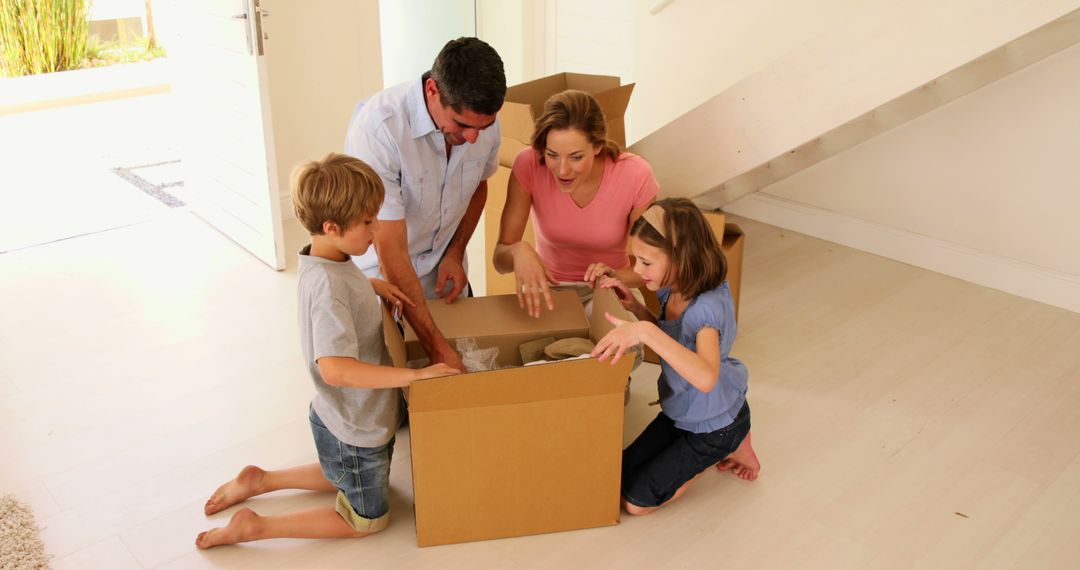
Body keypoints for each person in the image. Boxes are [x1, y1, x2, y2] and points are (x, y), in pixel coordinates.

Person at [195, 154, 459, 549]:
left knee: (343, 470)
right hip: (355, 422)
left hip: (343, 415)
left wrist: (371, 285)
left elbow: (337, 291)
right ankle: (257, 527)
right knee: (367, 520)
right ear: (332, 227)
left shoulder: (327, 259)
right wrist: (416, 376)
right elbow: (335, 368)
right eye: (368, 221)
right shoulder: (330, 288)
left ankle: (261, 480)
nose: (376, 228)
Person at [590, 198, 760, 516]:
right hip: (681, 411)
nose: (637, 271)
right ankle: (733, 436)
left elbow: (707, 376)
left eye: (646, 263)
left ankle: (730, 440)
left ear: (681, 258)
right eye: (635, 261)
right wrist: (637, 309)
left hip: (710, 423)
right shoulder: (673, 288)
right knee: (617, 472)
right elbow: (675, 341)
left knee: (634, 503)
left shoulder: (705, 311)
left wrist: (643, 331)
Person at [345, 37, 506, 372]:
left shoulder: (482, 121)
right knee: (400, 394)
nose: (474, 138)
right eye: (461, 125)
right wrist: (436, 347)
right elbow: (389, 249)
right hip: (384, 276)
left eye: (484, 127)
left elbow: (478, 186)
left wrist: (454, 252)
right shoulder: (380, 130)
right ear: (432, 90)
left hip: (444, 267)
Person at [493, 89, 658, 319]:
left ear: (597, 146)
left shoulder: (635, 175)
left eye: (576, 157)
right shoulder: (528, 163)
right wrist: (518, 250)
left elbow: (654, 266)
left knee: (621, 350)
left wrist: (615, 276)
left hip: (609, 291)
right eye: (552, 155)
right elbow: (500, 261)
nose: (562, 170)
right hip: (549, 293)